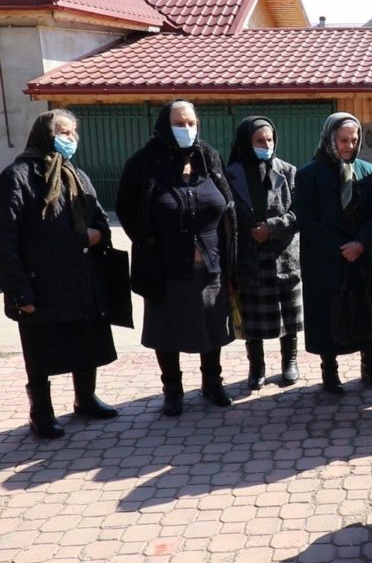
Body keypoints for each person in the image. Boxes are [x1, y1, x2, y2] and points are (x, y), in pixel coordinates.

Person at [0, 109, 119, 438]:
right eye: (64, 133)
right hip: (42, 282)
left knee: (85, 340)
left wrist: (97, 235)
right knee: (40, 349)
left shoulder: (76, 174)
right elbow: (5, 240)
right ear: (44, 135)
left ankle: (85, 399)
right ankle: (41, 412)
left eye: (74, 133)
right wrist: (20, 291)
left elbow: (98, 218)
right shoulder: (19, 176)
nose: (71, 139)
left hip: (82, 277)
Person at [117, 100, 237, 417]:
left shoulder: (208, 157)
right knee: (166, 331)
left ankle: (213, 383)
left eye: (191, 123)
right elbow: (127, 210)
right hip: (164, 266)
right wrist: (147, 241)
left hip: (211, 263)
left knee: (211, 326)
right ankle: (172, 390)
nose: (187, 129)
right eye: (179, 123)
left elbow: (226, 202)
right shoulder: (143, 163)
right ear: (163, 125)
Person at [294, 112, 372, 393]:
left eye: (354, 139)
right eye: (343, 139)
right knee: (326, 315)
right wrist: (339, 247)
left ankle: (370, 369)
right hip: (325, 260)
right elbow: (306, 219)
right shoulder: (308, 174)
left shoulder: (368, 172)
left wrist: (361, 243)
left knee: (366, 314)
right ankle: (330, 373)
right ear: (329, 139)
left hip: (361, 257)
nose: (349, 145)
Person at [225, 116, 302, 390]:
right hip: (249, 257)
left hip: (283, 255)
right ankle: (256, 367)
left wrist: (272, 227)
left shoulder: (289, 171)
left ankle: (289, 362)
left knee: (289, 316)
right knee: (253, 321)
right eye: (260, 141)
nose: (266, 145)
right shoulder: (230, 174)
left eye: (269, 140)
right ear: (247, 142)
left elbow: (300, 213)